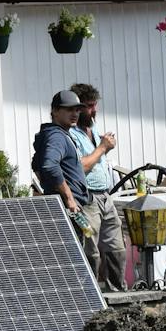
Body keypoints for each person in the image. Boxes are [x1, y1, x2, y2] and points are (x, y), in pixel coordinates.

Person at [67, 83, 126, 291]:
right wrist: (102, 147)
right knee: (90, 247)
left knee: (116, 245)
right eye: (90, 106)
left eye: (95, 105)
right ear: (78, 108)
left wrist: (103, 148)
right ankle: (89, 293)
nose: (95, 110)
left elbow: (95, 159)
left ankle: (118, 289)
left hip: (105, 195)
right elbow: (81, 166)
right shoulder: (70, 134)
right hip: (87, 198)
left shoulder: (92, 127)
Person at [32, 90, 92, 244]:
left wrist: (48, 185)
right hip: (68, 208)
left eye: (77, 109)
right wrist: (69, 198)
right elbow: (49, 166)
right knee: (75, 259)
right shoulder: (57, 136)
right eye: (69, 109)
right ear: (55, 111)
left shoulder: (55, 134)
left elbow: (36, 164)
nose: (75, 114)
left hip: (60, 206)